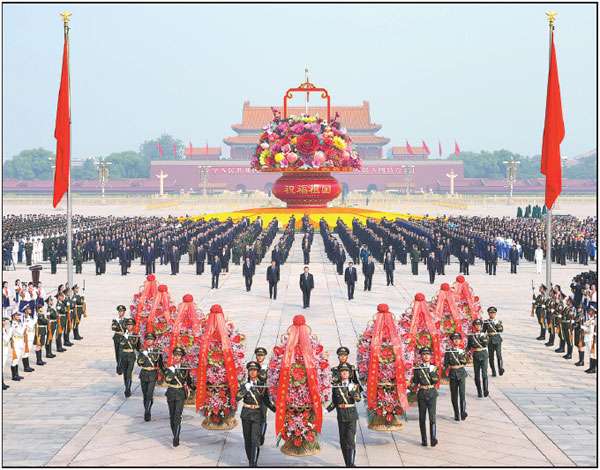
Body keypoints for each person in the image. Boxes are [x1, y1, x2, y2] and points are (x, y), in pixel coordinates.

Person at [236, 361, 275, 466]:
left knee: (255, 440)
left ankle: (253, 464)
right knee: (247, 441)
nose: (252, 372)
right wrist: (245, 389)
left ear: (258, 372)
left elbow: (267, 402)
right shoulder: (245, 385)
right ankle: (250, 459)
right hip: (246, 414)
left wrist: (277, 410)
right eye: (251, 370)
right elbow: (237, 397)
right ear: (248, 372)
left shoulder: (262, 386)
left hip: (257, 415)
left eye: (255, 370)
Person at [326, 363, 361, 467]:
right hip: (341, 415)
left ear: (350, 373)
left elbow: (358, 399)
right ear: (340, 373)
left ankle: (351, 464)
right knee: (343, 441)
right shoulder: (336, 386)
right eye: (342, 371)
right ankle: (347, 464)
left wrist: (352, 391)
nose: (344, 372)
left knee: (350, 440)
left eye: (346, 371)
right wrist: (327, 410)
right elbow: (334, 402)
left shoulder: (353, 386)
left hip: (351, 415)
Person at [165, 347, 196, 447]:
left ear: (181, 357)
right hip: (171, 392)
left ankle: (176, 437)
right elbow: (167, 380)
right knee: (172, 415)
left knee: (178, 415)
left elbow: (189, 382)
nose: (177, 357)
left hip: (180, 394)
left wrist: (196, 389)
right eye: (176, 355)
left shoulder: (185, 369)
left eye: (179, 355)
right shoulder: (170, 369)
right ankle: (174, 433)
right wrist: (173, 371)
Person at [408, 347, 439, 447]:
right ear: (421, 356)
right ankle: (424, 439)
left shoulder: (434, 368)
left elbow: (435, 380)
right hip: (422, 393)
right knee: (422, 418)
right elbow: (415, 382)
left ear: (430, 356)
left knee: (432, 416)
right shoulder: (418, 368)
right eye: (424, 354)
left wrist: (431, 371)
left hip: (431, 392)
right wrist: (408, 389)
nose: (426, 356)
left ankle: (433, 438)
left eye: (428, 354)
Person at [138, 332, 164, 421]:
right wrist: (144, 356)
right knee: (145, 394)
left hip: (152, 374)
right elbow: (139, 363)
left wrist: (167, 373)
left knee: (150, 394)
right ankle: (146, 408)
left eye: (151, 340)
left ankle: (147, 412)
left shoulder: (157, 352)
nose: (149, 341)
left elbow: (160, 365)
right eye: (148, 340)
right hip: (144, 374)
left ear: (154, 341)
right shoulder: (142, 352)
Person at [443, 332, 468, 421]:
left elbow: (465, 362)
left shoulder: (463, 351)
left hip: (461, 373)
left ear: (460, 340)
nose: (456, 340)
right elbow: (445, 364)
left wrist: (460, 354)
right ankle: (456, 413)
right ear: (452, 340)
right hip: (453, 374)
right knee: (454, 395)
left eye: (458, 339)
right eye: (454, 339)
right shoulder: (449, 351)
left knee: (462, 394)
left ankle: (463, 411)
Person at [119, 318, 141, 397]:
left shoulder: (136, 336)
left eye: (131, 325)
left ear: (133, 326)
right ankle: (126, 386)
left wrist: (140, 358)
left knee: (129, 373)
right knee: (125, 373)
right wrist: (119, 362)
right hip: (124, 355)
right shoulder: (123, 336)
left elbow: (138, 348)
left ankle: (128, 389)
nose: (129, 326)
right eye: (128, 325)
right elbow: (120, 348)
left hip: (131, 355)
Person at [467, 319, 489, 398]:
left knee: (484, 373)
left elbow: (486, 343)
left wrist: (481, 337)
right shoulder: (471, 336)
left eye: (479, 325)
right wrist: (463, 353)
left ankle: (485, 389)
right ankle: (479, 391)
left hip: (483, 354)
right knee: (477, 375)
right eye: (476, 325)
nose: (478, 326)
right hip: (476, 354)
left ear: (481, 326)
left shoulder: (484, 335)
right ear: (474, 326)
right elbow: (469, 346)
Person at [483, 307, 504, 377]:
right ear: (489, 314)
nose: (492, 314)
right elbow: (483, 332)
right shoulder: (486, 322)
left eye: (494, 313)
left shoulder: (498, 321)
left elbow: (501, 330)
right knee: (491, 356)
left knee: (499, 355)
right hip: (490, 340)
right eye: (491, 313)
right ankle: (493, 370)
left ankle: (500, 368)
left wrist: (496, 324)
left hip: (497, 339)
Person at [10, 311, 26, 381]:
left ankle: (16, 374)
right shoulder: (14, 324)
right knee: (15, 358)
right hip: (16, 342)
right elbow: (20, 332)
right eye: (16, 316)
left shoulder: (18, 323)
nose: (18, 317)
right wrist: (24, 326)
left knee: (18, 358)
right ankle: (14, 375)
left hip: (20, 341)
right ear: (13, 317)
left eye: (18, 315)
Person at [112, 305, 127, 375]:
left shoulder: (126, 320)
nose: (120, 313)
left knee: (121, 353)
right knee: (117, 352)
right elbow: (113, 328)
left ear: (124, 312)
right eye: (119, 311)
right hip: (117, 337)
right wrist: (117, 322)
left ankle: (119, 367)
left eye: (122, 311)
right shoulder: (115, 320)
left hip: (123, 337)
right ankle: (119, 364)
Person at [583, 307, 596, 373]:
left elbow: (591, 329)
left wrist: (583, 328)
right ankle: (590, 367)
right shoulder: (589, 320)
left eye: (590, 311)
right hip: (587, 337)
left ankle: (593, 368)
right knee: (589, 353)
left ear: (593, 312)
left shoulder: (593, 321)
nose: (588, 312)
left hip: (590, 338)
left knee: (592, 354)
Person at [3, 317, 12, 389]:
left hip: (5, 348)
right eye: (3, 321)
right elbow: (6, 340)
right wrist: (10, 334)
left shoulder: (3, 329)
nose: (4, 323)